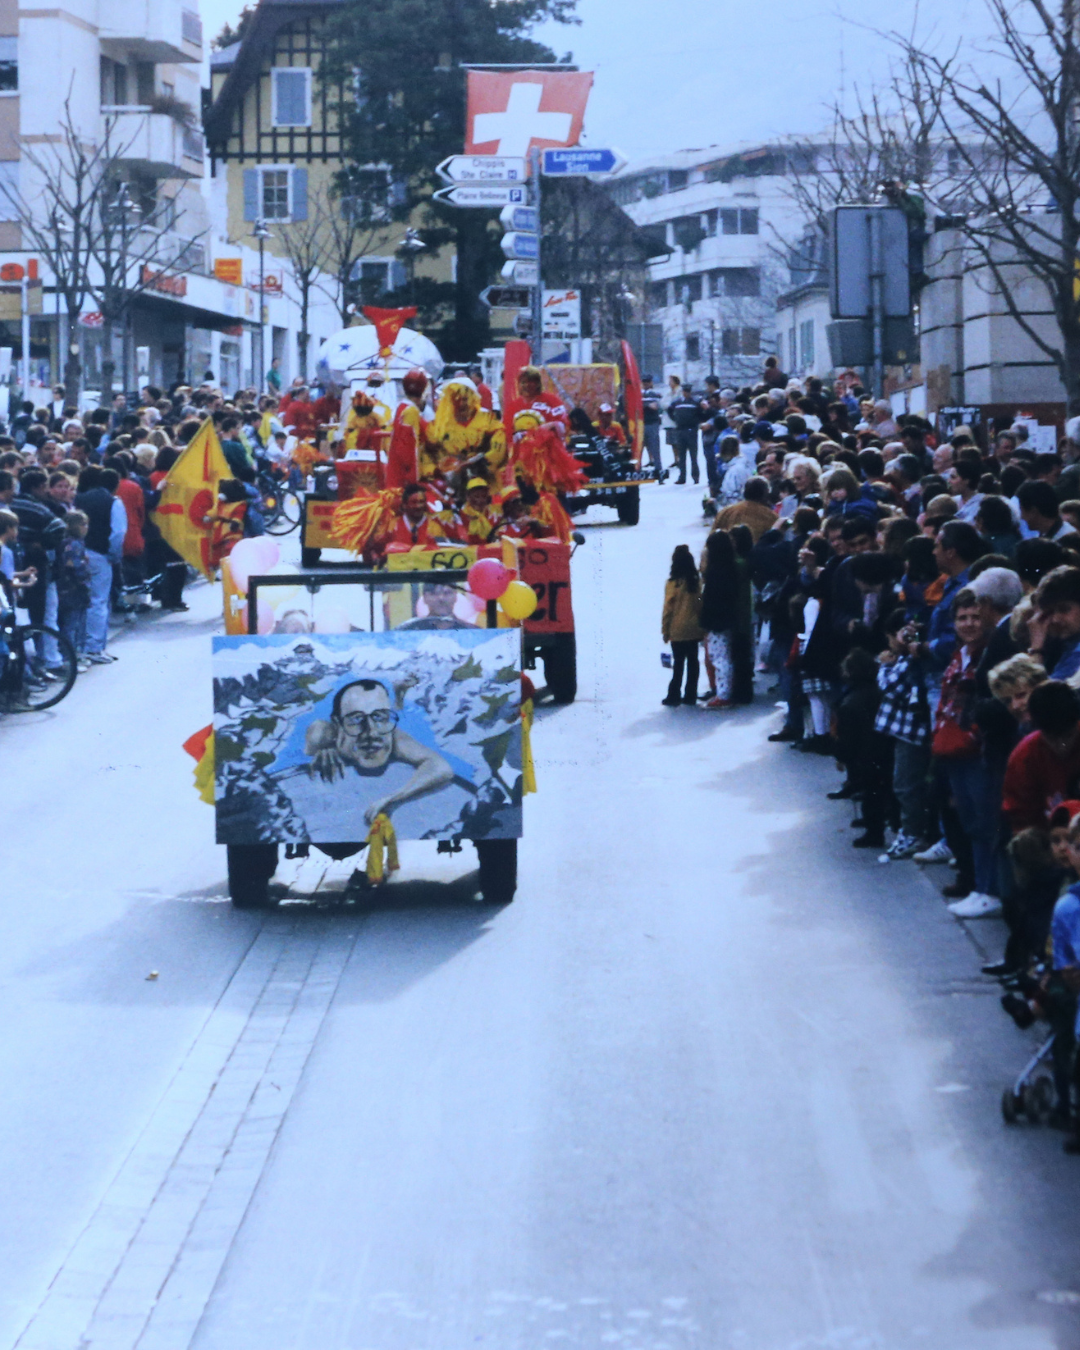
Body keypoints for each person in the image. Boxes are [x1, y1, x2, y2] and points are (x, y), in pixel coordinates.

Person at [301, 678, 454, 826]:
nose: (371, 732)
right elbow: (309, 749)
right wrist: (323, 748)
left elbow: (441, 768)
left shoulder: (395, 738)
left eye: (379, 717)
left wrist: (392, 799)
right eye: (356, 719)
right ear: (337, 724)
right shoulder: (322, 734)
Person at [699, 529, 739, 709]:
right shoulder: (730, 567)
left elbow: (710, 599)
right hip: (727, 618)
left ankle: (723, 694)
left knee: (720, 658)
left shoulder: (715, 572)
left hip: (717, 621)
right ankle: (724, 692)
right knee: (724, 656)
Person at [661, 544, 704, 706]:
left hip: (677, 629)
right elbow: (700, 603)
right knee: (693, 661)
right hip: (694, 628)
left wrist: (665, 630)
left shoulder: (672, 584)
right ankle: (690, 694)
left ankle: (674, 695)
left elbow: (668, 609)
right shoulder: (696, 582)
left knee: (678, 663)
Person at [667, 383, 703, 485]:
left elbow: (700, 414)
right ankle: (682, 477)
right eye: (685, 391)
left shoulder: (695, 402)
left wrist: (696, 422)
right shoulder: (677, 402)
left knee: (693, 455)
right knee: (681, 456)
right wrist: (676, 420)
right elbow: (670, 410)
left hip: (692, 430)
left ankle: (695, 476)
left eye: (688, 391)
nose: (686, 393)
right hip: (680, 430)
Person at [641, 374, 663, 475]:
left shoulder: (654, 395)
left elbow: (655, 407)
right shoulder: (639, 394)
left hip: (652, 423)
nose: (645, 384)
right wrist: (647, 405)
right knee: (639, 448)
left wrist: (644, 405)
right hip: (641, 423)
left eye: (647, 382)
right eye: (644, 382)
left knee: (654, 447)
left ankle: (658, 469)